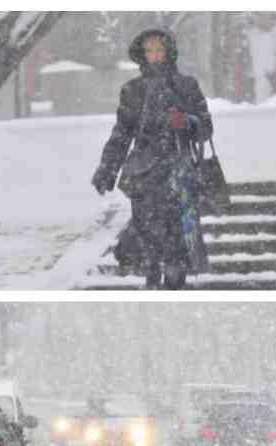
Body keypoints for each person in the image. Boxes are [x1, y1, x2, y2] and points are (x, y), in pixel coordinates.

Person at [91, 29, 213, 289]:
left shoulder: (186, 85)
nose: (155, 56)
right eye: (150, 51)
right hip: (144, 176)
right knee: (149, 237)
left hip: (179, 173)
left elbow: (205, 127)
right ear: (142, 55)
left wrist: (187, 122)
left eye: (159, 50)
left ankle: (175, 284)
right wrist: (107, 169)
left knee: (179, 239)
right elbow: (122, 133)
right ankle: (152, 284)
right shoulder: (133, 90)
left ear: (169, 52)